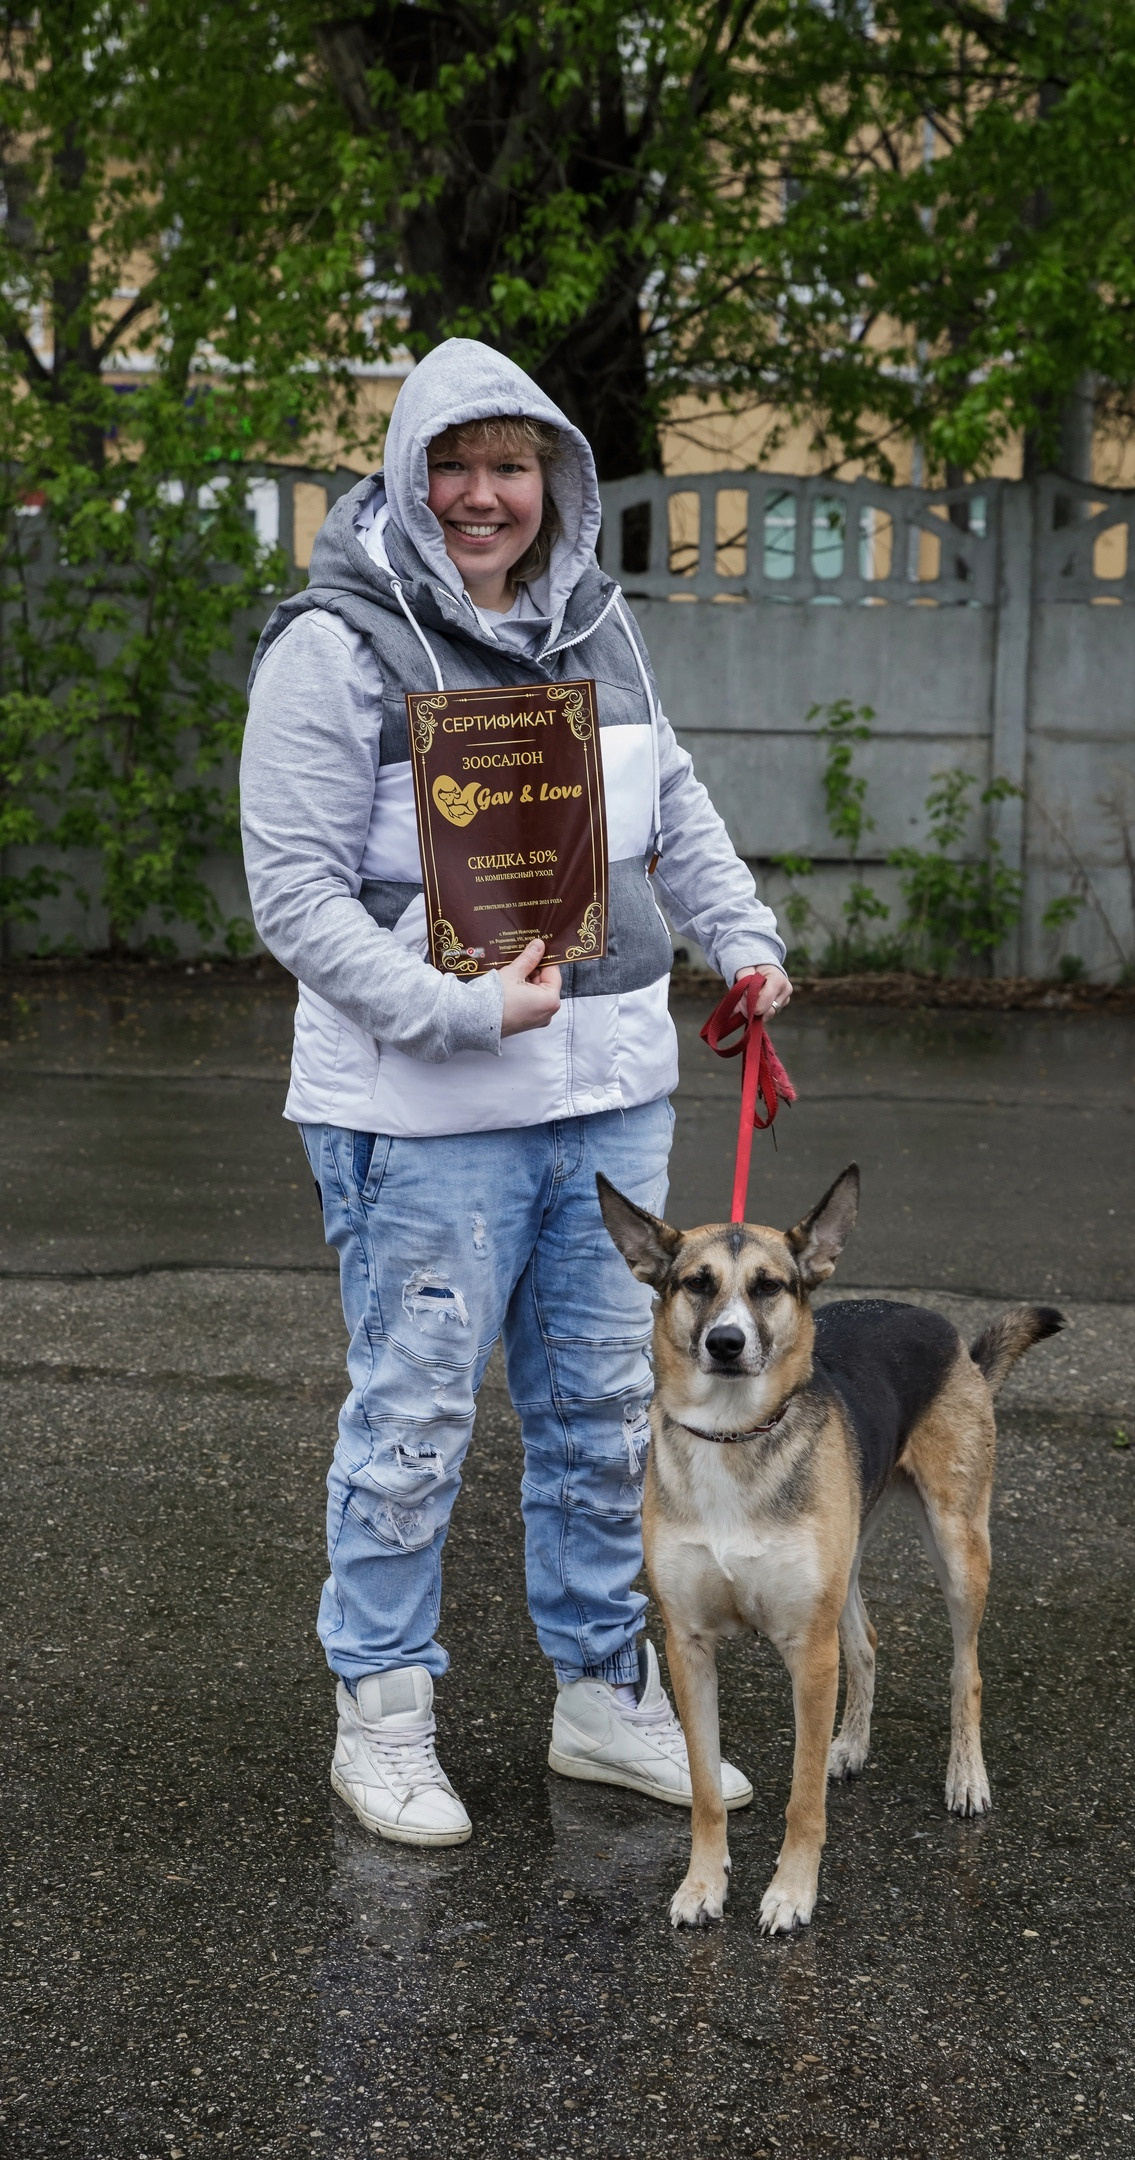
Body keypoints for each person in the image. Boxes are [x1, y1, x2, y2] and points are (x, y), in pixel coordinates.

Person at [241, 339, 789, 1848]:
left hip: (606, 1099)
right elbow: (289, 891)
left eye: (513, 465)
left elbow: (672, 808)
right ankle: (385, 1715)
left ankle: (605, 1693)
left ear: (555, 476)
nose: (485, 496)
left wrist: (742, 939)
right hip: (418, 1112)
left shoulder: (596, 629)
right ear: (411, 475)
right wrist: (458, 1009)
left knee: (607, 1412)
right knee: (416, 1419)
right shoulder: (337, 645)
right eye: (456, 465)